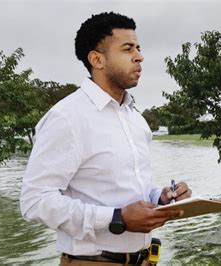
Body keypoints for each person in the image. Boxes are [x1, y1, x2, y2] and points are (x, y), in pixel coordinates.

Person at [20, 12, 192, 265]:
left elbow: (132, 187)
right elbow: (34, 202)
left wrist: (161, 198)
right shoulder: (67, 118)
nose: (139, 56)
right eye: (127, 49)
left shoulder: (135, 119)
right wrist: (116, 218)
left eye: (139, 48)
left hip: (146, 259)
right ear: (96, 59)